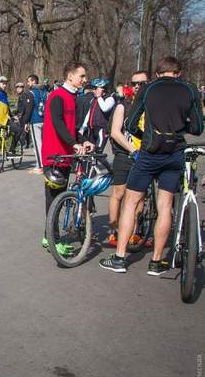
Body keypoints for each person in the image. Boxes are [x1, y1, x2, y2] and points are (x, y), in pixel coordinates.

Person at [100, 57, 203, 275]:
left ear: (157, 73)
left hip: (150, 151)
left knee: (131, 201)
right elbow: (197, 127)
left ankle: (120, 257)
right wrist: (179, 126)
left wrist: (144, 134)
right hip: (175, 151)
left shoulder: (148, 89)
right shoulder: (189, 89)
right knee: (165, 205)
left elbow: (130, 123)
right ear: (179, 72)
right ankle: (156, 261)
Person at [40, 62, 94, 252]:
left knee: (60, 196)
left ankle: (49, 236)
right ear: (70, 76)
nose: (85, 80)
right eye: (82, 76)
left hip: (66, 155)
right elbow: (58, 123)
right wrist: (74, 143)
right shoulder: (57, 96)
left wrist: (84, 140)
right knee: (53, 198)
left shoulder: (74, 97)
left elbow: (75, 126)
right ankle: (52, 238)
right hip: (54, 156)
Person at [106, 71, 149, 247]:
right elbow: (115, 133)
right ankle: (114, 230)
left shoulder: (151, 105)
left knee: (139, 197)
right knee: (119, 194)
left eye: (142, 83)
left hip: (145, 156)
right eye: (134, 83)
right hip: (125, 155)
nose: (137, 86)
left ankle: (134, 231)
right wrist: (132, 150)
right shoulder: (123, 106)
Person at [79, 78, 116, 153]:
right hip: (91, 129)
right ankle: (92, 165)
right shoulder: (93, 99)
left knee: (98, 152)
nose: (93, 91)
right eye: (93, 88)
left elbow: (105, 108)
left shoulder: (110, 99)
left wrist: (99, 97)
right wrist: (83, 127)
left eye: (95, 88)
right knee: (89, 151)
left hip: (102, 130)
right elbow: (89, 114)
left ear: (103, 89)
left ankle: (107, 165)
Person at [27, 74, 46, 174]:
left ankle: (39, 166)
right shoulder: (44, 92)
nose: (28, 83)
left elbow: (29, 109)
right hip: (45, 120)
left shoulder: (31, 93)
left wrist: (25, 122)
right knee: (43, 144)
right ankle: (44, 164)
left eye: (29, 81)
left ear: (33, 81)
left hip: (35, 120)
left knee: (37, 144)